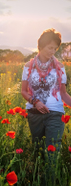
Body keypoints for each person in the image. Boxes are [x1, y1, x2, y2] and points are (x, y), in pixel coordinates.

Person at [21, 28, 71, 183]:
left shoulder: (60, 68)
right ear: (40, 46)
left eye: (55, 49)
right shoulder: (28, 66)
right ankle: (36, 178)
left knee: (52, 151)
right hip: (34, 113)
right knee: (37, 149)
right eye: (50, 48)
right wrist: (35, 101)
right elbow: (23, 91)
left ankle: (50, 180)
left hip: (55, 113)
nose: (53, 51)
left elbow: (63, 94)